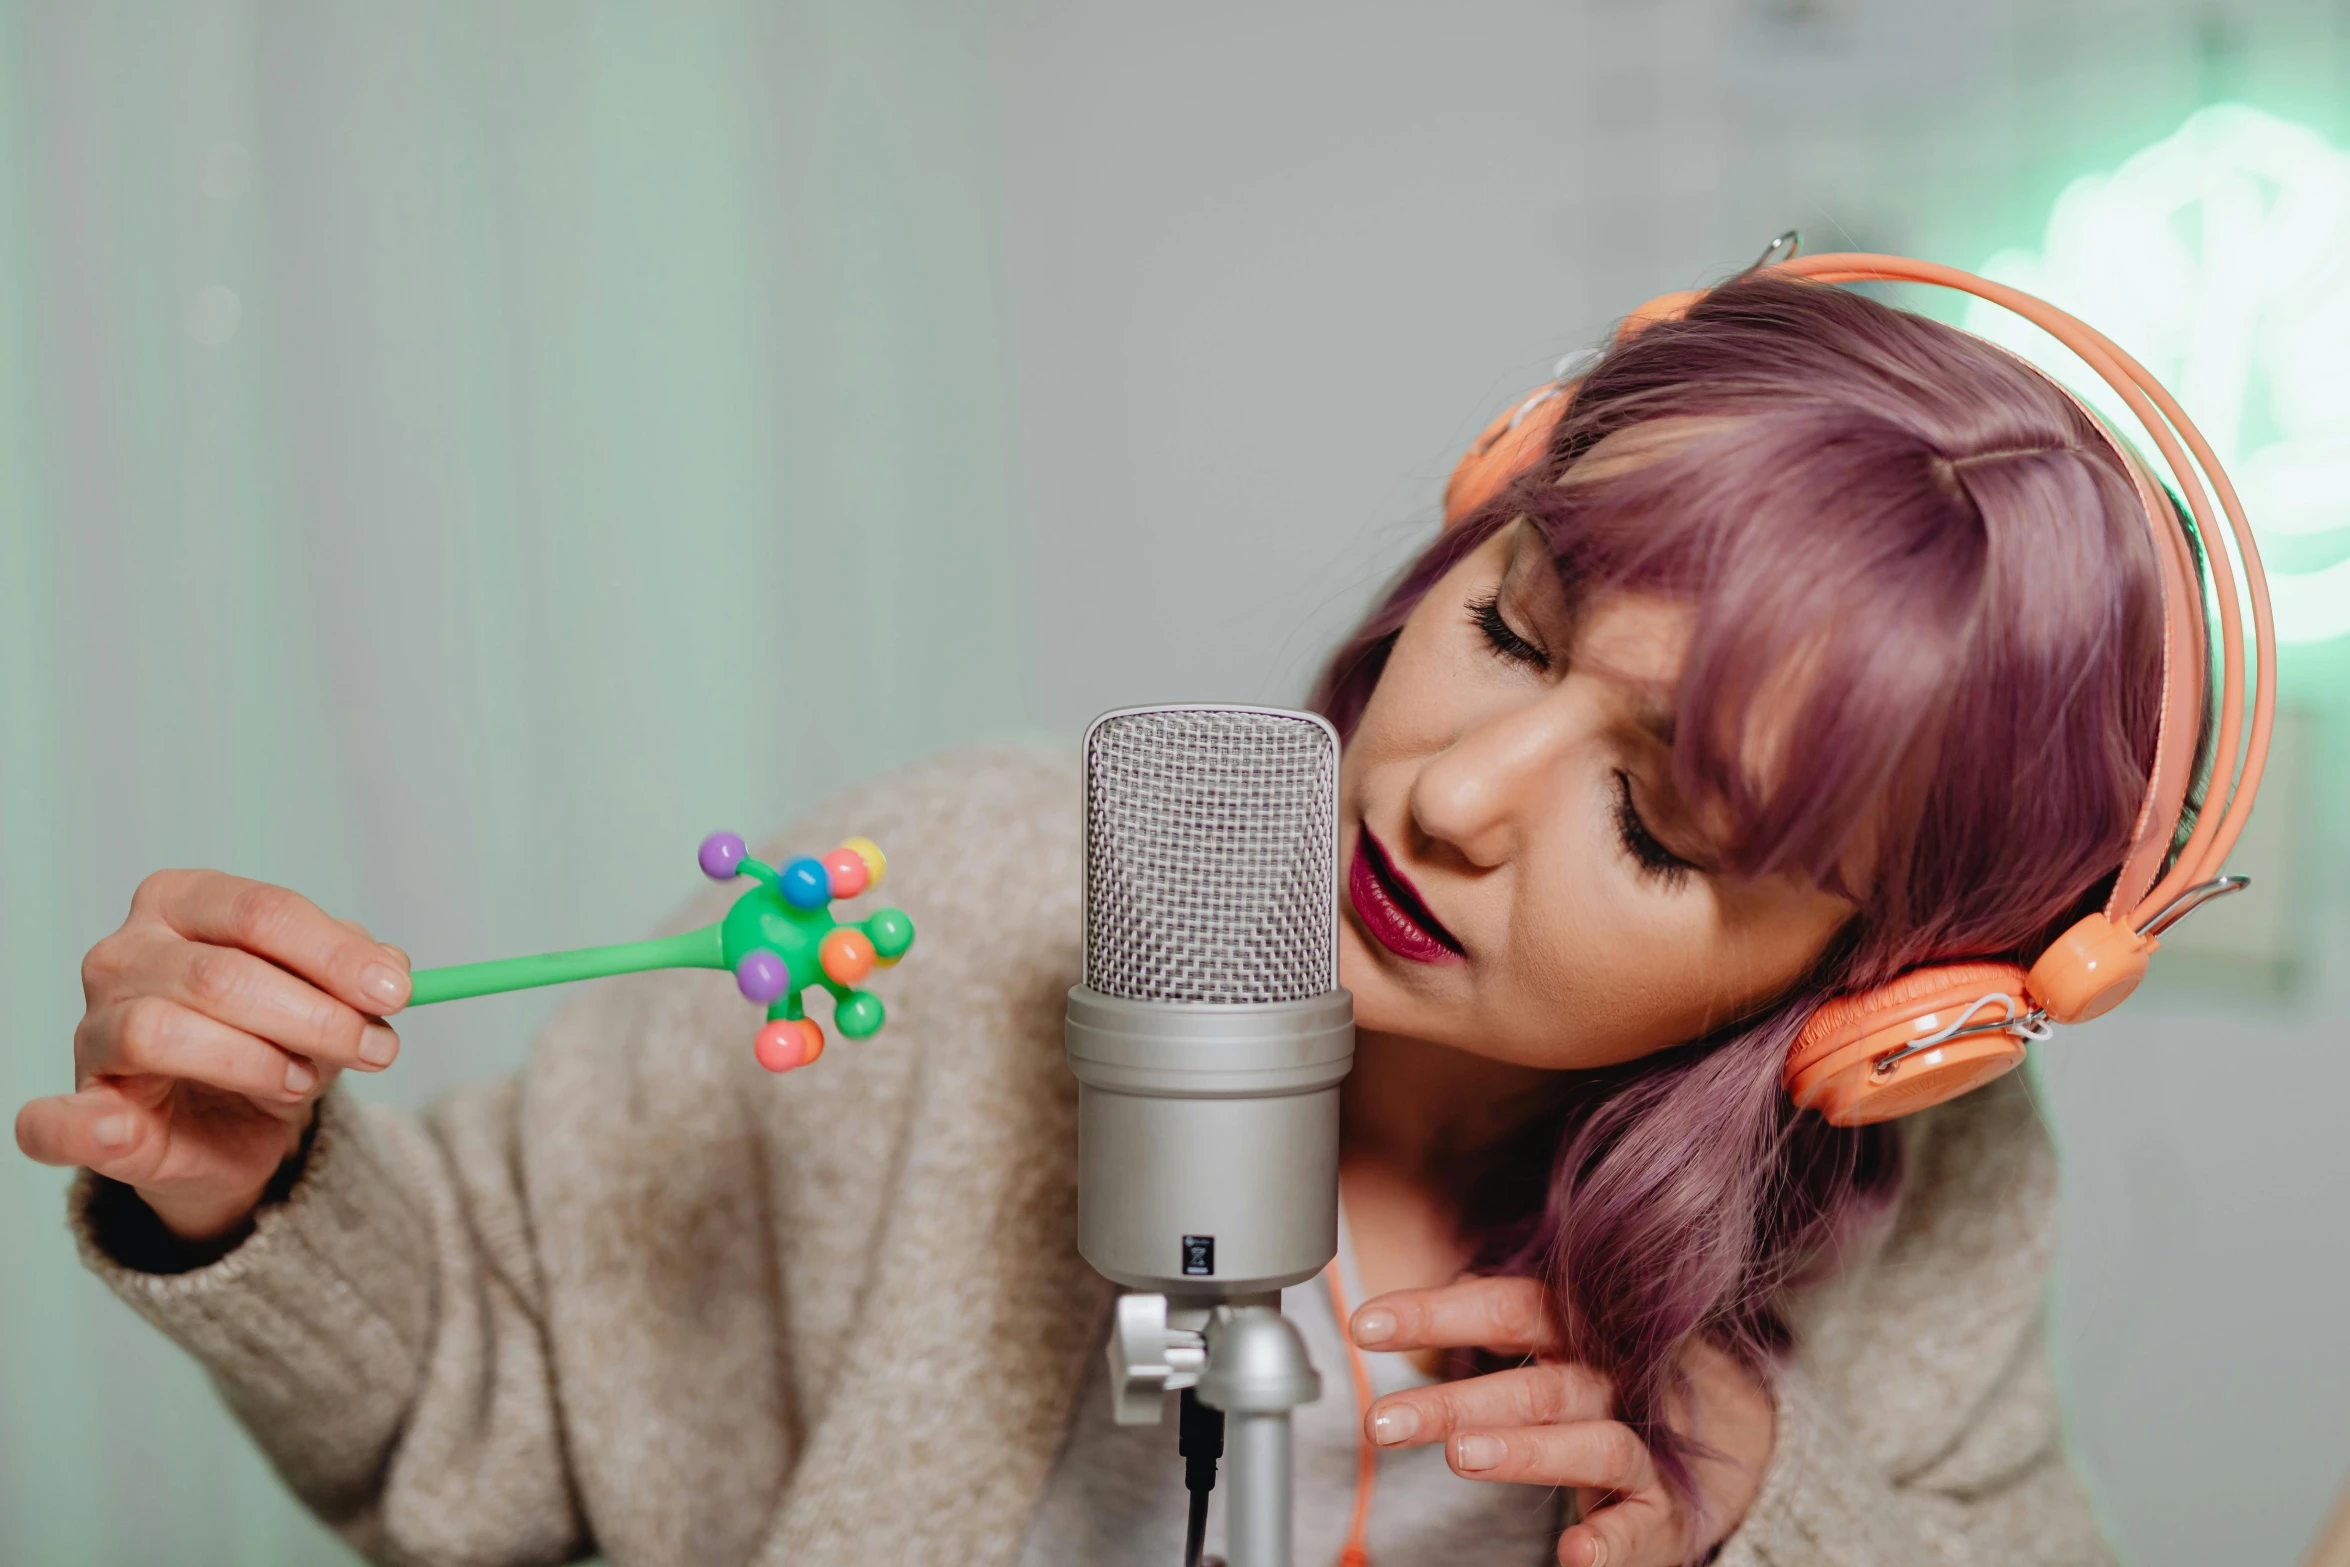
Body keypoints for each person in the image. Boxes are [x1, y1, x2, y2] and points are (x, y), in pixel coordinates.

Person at [15, 272, 2161, 1567]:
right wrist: (255, 1194)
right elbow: (468, 1408)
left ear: (1876, 993)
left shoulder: (1920, 1198)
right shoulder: (938, 905)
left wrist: (1763, 1516)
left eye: (1657, 829)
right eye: (1508, 633)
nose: (1449, 797)